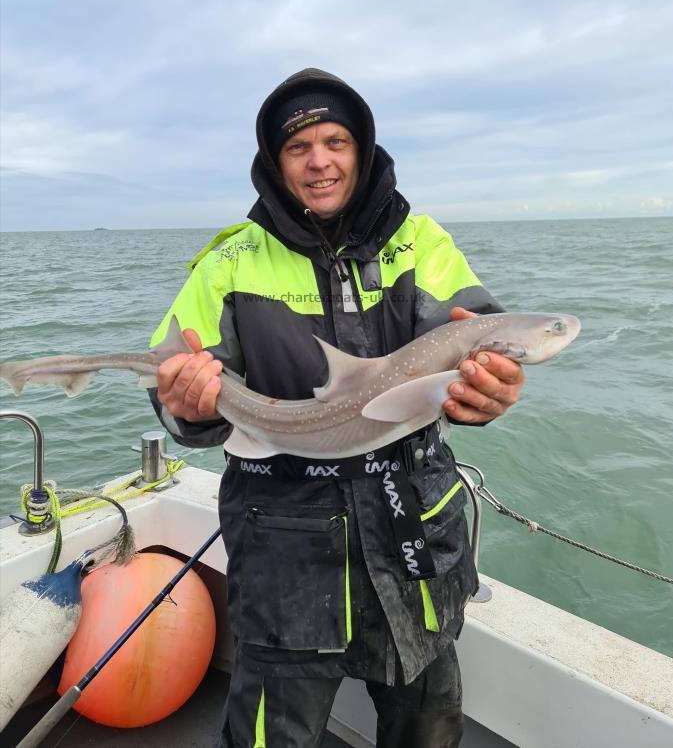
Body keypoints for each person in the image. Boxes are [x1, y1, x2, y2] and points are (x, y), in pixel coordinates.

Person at [149, 69, 524, 748]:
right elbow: (175, 396)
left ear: (362, 148)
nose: (319, 161)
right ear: (275, 161)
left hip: (414, 536)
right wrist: (189, 406)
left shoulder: (421, 241)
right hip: (284, 546)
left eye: (335, 141)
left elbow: (486, 338)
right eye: (298, 148)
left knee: (427, 729)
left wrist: (489, 390)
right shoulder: (228, 263)